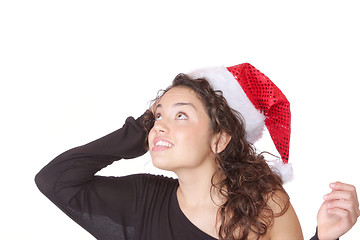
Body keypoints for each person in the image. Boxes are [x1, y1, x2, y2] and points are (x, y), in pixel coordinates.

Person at [35, 63, 359, 239]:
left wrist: (325, 239)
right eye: (157, 114)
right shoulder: (142, 199)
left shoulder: (266, 202)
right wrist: (136, 132)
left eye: (181, 115)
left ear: (219, 139)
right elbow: (54, 181)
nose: (159, 125)